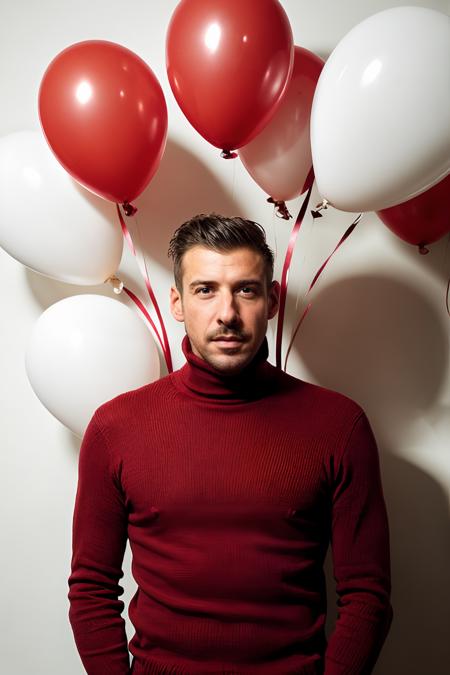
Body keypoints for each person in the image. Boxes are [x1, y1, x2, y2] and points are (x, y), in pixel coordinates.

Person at [68, 214, 393, 675]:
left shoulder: (339, 425)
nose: (227, 313)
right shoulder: (115, 428)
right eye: (205, 290)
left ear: (272, 300)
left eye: (246, 289)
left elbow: (367, 596)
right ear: (178, 303)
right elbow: (92, 589)